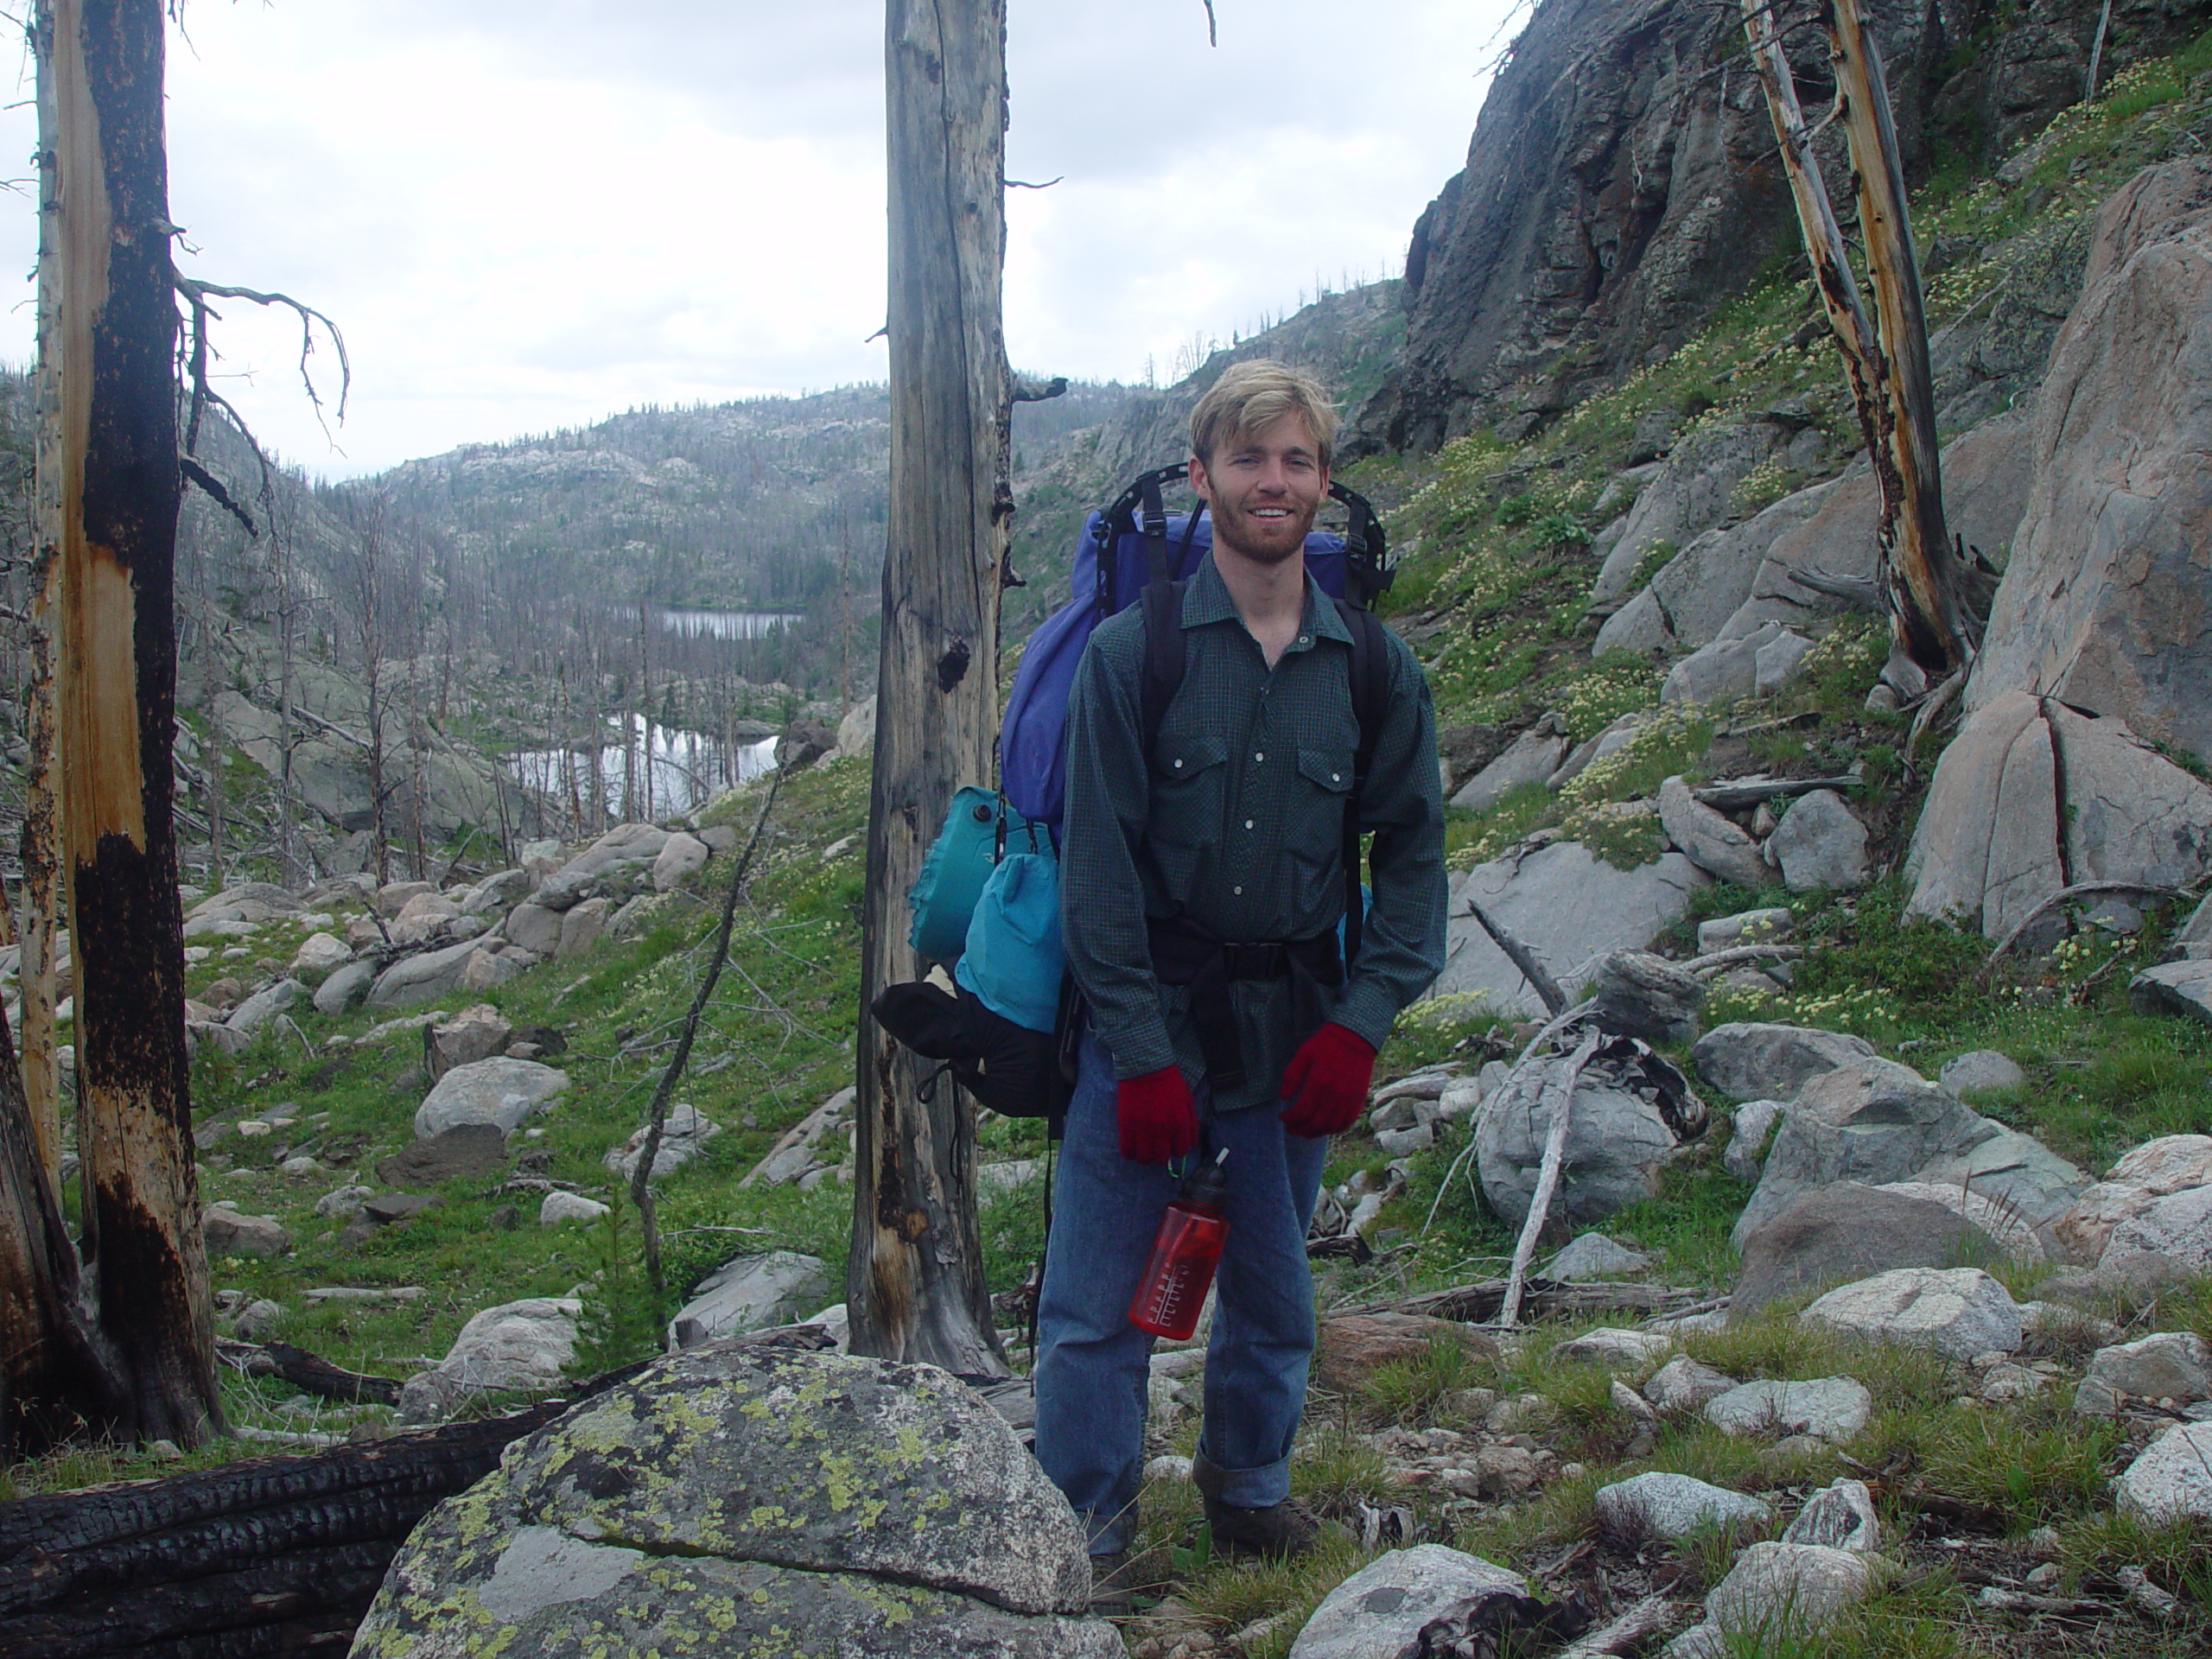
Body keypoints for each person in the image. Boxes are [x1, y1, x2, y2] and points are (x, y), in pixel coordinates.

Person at [1033, 359, 1446, 1593]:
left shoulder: (1373, 670)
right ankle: (1087, 1533)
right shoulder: (1132, 657)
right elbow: (1096, 875)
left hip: (1293, 1037)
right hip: (1144, 1028)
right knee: (1095, 1308)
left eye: (1297, 460)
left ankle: (1248, 1494)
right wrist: (1142, 1057)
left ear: (1324, 482)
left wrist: (1362, 1026)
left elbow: (1415, 860)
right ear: (1203, 474)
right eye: (1250, 458)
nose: (1275, 482)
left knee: (1273, 1294)